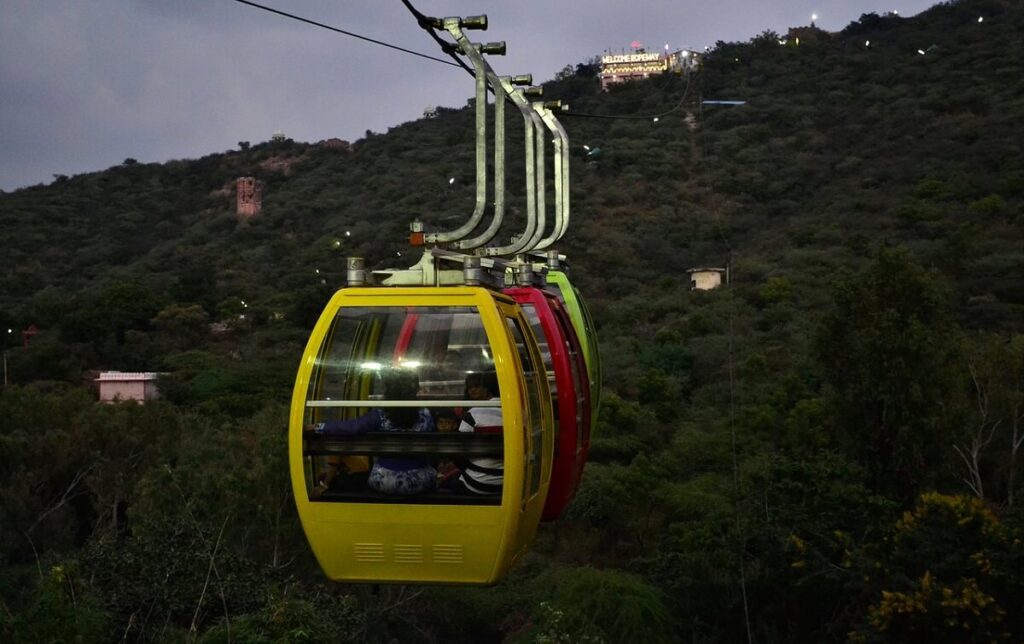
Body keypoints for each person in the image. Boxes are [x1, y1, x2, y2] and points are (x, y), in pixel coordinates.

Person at [309, 368, 437, 496]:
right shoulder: (425, 414)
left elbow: (352, 427)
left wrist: (317, 427)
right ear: (415, 391)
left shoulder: (380, 415)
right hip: (420, 482)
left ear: (388, 391)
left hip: (384, 482)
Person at [455, 371, 504, 496]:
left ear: (486, 389)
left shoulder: (473, 413)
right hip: (508, 483)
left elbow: (460, 449)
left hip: (477, 482)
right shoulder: (518, 412)